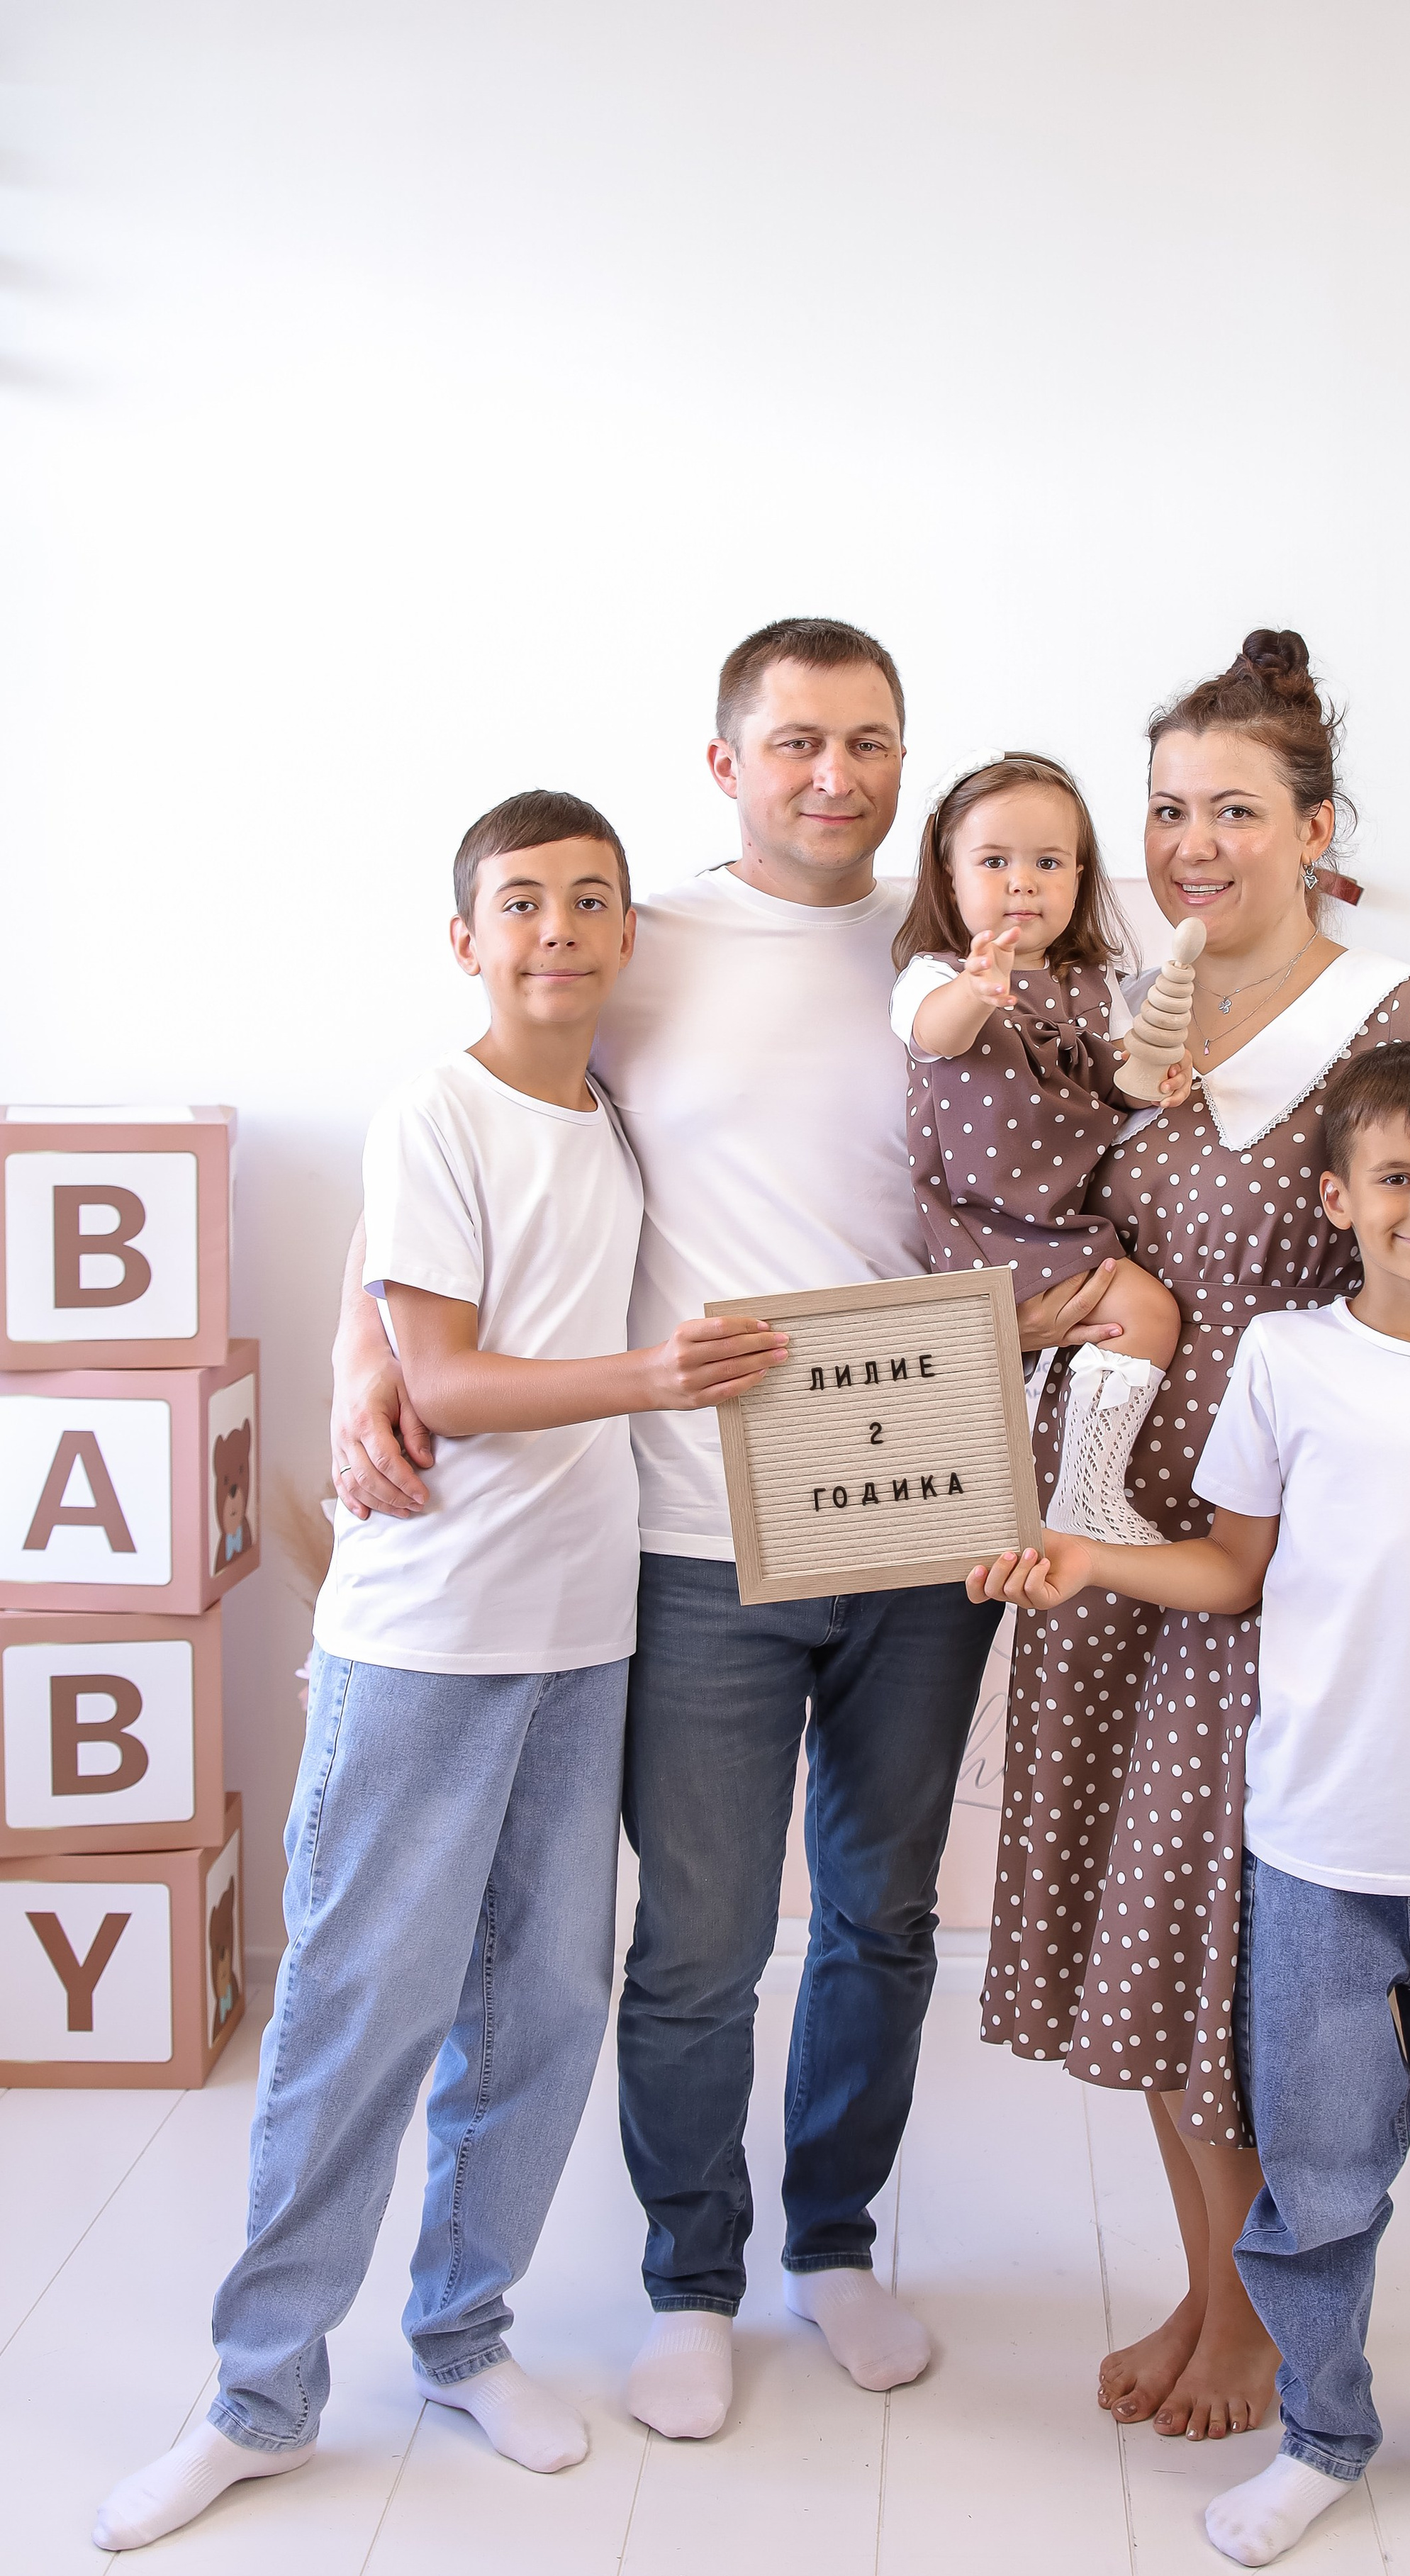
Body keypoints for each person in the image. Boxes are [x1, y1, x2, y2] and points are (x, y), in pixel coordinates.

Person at [974, 631, 1410, 2447]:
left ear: (1316, 827)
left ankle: (1267, 2324)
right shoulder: (1119, 1028)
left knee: (1250, 1954)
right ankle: (1214, 2291)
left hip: (1310, 1570)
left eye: (1236, 809)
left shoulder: (1402, 1014)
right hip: (1134, 1543)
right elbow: (995, 1211)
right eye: (1169, 809)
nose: (1193, 843)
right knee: (1148, 1937)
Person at [329, 623, 1005, 2441]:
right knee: (699, 1934)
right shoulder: (635, 940)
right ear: (725, 762)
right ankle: (688, 2275)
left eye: (868, 741)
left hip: (926, 1504)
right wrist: (354, 1361)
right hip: (692, 1524)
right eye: (794, 742)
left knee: (877, 1917)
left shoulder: (954, 939)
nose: (834, 775)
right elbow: (455, 1116)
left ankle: (837, 2241)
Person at [92, 790, 788, 2550]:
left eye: (589, 902)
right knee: (354, 2012)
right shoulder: (438, 1105)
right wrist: (641, 1379)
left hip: (585, 1636)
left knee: (545, 2004)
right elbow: (452, 1378)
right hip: (425, 1638)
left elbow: (410, 1315)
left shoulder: (620, 1120)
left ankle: (462, 2330)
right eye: (520, 903)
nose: (557, 929)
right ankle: (259, 2391)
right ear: (464, 938)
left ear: (630, 935)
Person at [890, 751, 1190, 1543]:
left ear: (1079, 877)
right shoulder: (932, 976)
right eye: (994, 862)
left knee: (1132, 1320)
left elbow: (1120, 1078)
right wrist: (973, 992)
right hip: (982, 1225)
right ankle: (1081, 1500)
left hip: (1062, 1215)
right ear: (949, 878)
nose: (1022, 881)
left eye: (1047, 862)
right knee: (1141, 1311)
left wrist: (1158, 1080)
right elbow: (930, 1035)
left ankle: (1078, 1492)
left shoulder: (1095, 985)